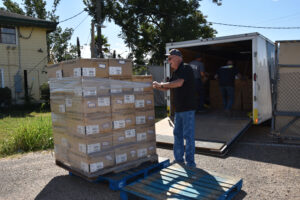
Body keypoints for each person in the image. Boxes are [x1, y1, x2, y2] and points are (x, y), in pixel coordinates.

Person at [153, 49, 197, 167]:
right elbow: (168, 87)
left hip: (188, 108)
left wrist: (161, 84)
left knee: (188, 135)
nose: (169, 60)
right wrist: (157, 86)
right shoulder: (175, 72)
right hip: (179, 109)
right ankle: (178, 159)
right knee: (177, 134)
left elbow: (178, 83)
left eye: (170, 58)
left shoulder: (186, 68)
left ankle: (190, 162)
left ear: (178, 57)